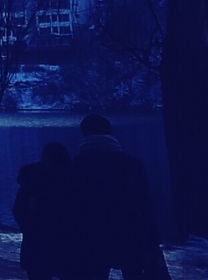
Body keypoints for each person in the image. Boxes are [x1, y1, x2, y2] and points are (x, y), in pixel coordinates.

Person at [72, 114, 169, 280]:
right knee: (133, 273)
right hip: (130, 233)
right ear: (110, 132)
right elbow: (145, 205)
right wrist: (152, 240)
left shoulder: (75, 166)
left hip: (90, 236)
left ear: (84, 134)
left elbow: (70, 208)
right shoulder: (131, 164)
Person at [13, 141, 75, 280]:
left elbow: (18, 210)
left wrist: (28, 229)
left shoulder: (31, 180)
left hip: (36, 243)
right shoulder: (72, 179)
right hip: (66, 243)